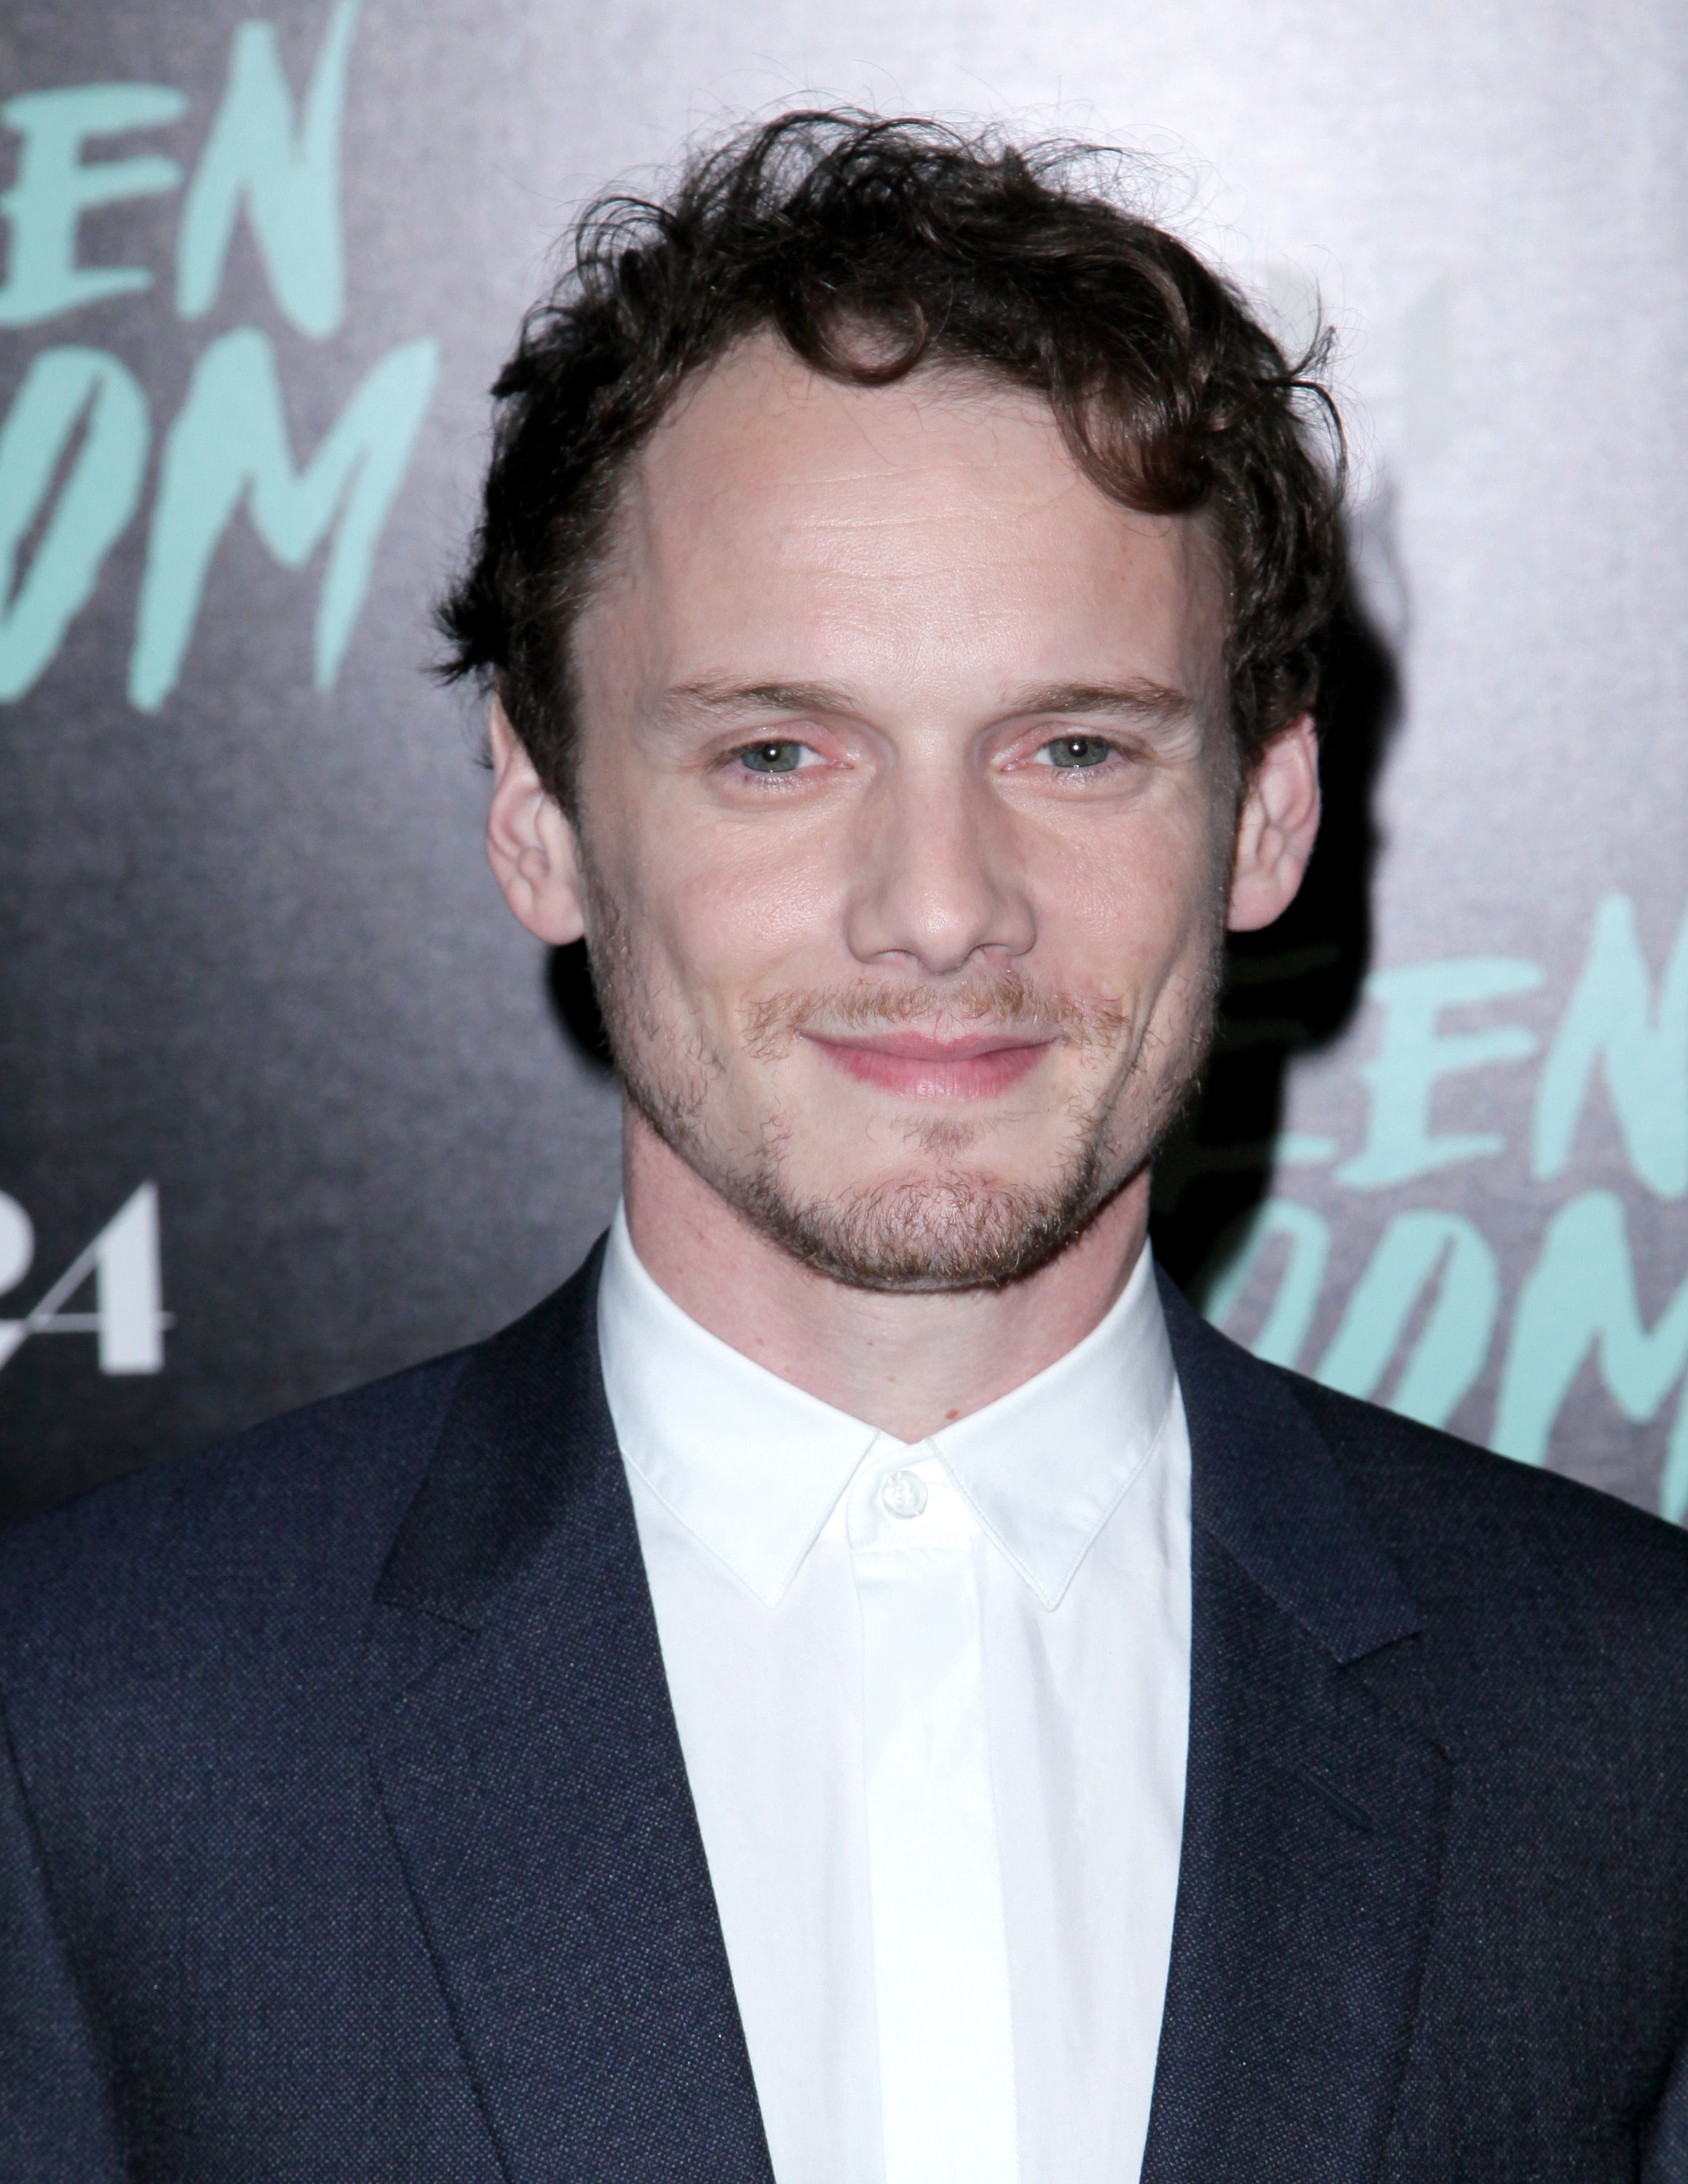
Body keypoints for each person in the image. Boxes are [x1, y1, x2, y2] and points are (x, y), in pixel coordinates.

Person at [1, 111, 1685, 2184]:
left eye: (1073, 746)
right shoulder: (88, 1723)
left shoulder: (1631, 1720)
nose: (941, 905)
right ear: (540, 815)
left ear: (1265, 817)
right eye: (779, 752)